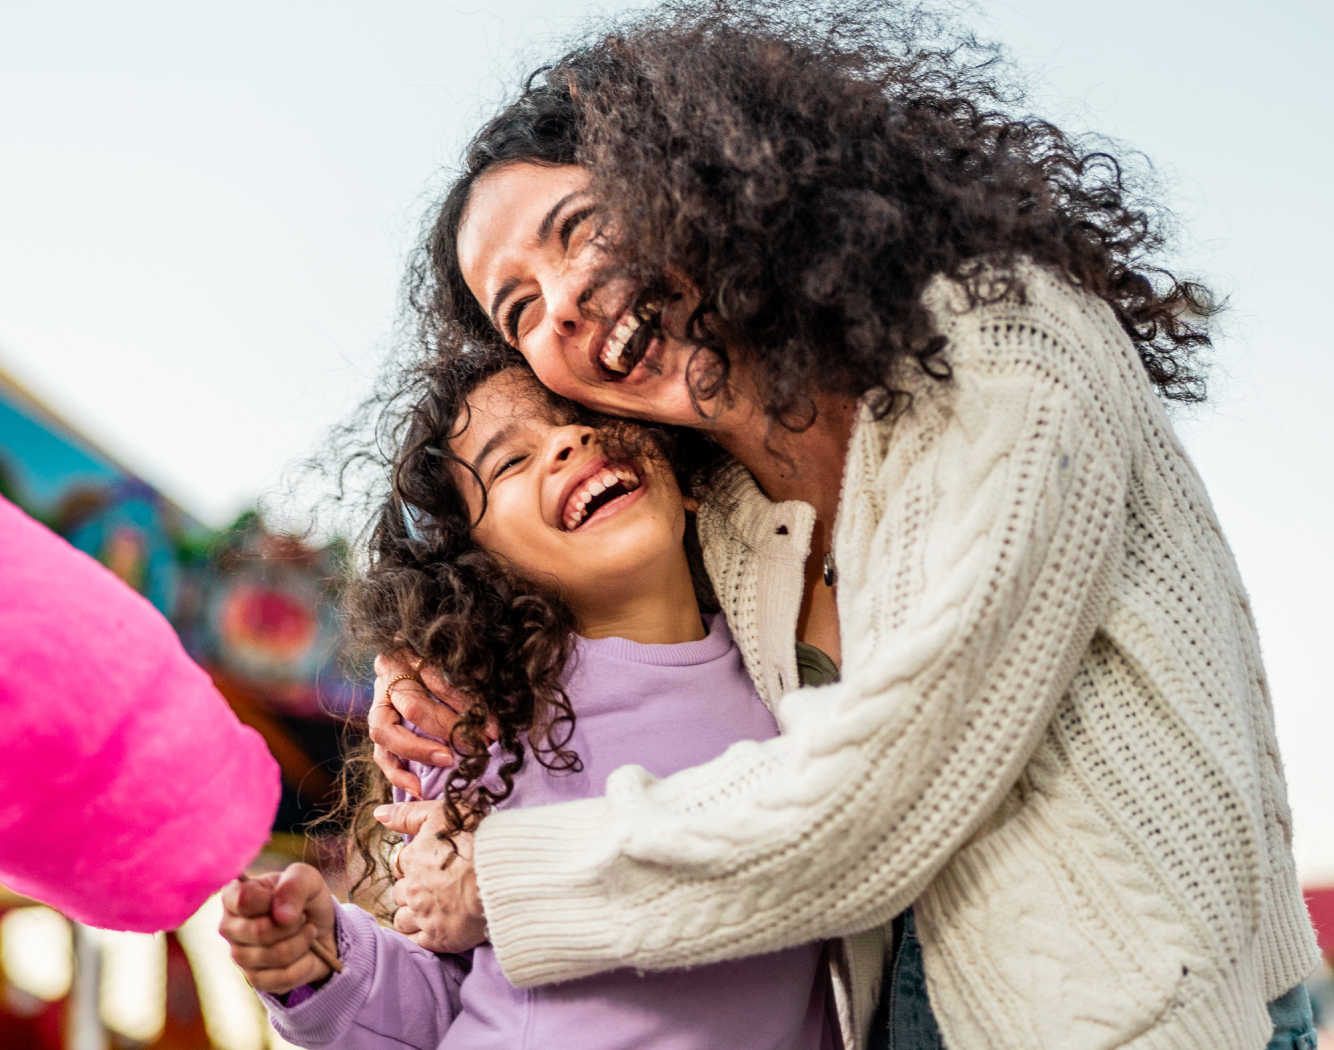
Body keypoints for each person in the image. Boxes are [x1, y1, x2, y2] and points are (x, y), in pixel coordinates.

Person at [247, 4, 1317, 1048]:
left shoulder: (1003, 344)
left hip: (1152, 1010)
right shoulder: (729, 510)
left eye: (577, 232)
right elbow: (572, 599)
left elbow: (897, 779)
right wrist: (430, 660)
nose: (563, 303)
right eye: (519, 310)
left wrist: (504, 877)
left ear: (698, 176)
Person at [222, 356, 839, 1049]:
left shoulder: (781, 673)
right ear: (482, 565)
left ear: (684, 477)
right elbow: (450, 995)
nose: (566, 443)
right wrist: (330, 966)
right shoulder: (479, 721)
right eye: (511, 460)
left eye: (582, 418)